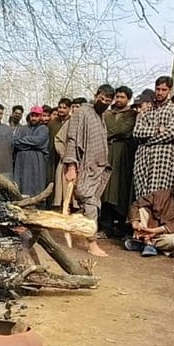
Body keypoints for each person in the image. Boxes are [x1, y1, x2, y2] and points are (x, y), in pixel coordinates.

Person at [63, 85, 115, 257]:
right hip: (85, 168)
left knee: (92, 205)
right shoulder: (82, 113)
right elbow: (72, 140)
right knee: (90, 204)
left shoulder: (101, 117)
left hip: (98, 169)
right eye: (102, 98)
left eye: (108, 100)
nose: (104, 102)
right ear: (95, 95)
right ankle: (92, 243)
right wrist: (71, 166)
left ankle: (76, 225)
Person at [124, 168, 174, 257]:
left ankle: (145, 243)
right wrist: (135, 223)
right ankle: (148, 243)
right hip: (150, 230)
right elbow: (137, 204)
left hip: (171, 234)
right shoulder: (163, 194)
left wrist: (157, 230)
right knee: (142, 210)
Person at [132, 76, 174, 199]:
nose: (160, 92)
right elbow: (137, 132)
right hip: (144, 159)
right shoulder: (147, 110)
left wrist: (147, 141)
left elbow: (171, 133)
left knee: (162, 198)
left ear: (170, 91)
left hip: (165, 160)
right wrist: (156, 130)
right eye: (158, 89)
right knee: (142, 197)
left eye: (163, 89)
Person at [101, 86, 138, 233]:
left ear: (128, 99)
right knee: (105, 189)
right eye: (117, 97)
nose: (119, 100)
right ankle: (105, 226)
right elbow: (103, 129)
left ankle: (120, 226)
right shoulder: (107, 113)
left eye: (122, 97)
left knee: (121, 190)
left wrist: (110, 133)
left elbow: (123, 130)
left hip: (124, 156)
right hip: (107, 154)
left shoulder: (131, 114)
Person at [13, 107, 49, 197]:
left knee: (36, 183)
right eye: (32, 115)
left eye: (36, 116)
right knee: (21, 184)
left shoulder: (43, 129)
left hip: (36, 160)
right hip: (22, 161)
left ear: (40, 117)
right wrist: (31, 143)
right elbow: (15, 142)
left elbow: (39, 142)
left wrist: (24, 140)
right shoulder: (22, 129)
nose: (34, 118)